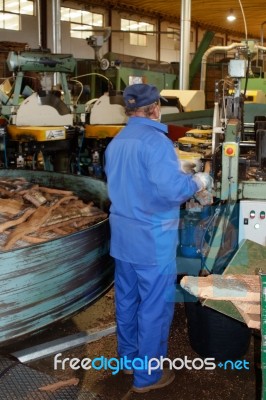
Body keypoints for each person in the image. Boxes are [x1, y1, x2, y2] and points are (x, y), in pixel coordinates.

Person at [104, 83, 211, 394]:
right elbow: (173, 190)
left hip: (123, 238)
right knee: (153, 306)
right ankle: (148, 375)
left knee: (126, 300)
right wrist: (198, 181)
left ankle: (128, 361)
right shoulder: (156, 142)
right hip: (152, 239)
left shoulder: (117, 142)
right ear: (154, 109)